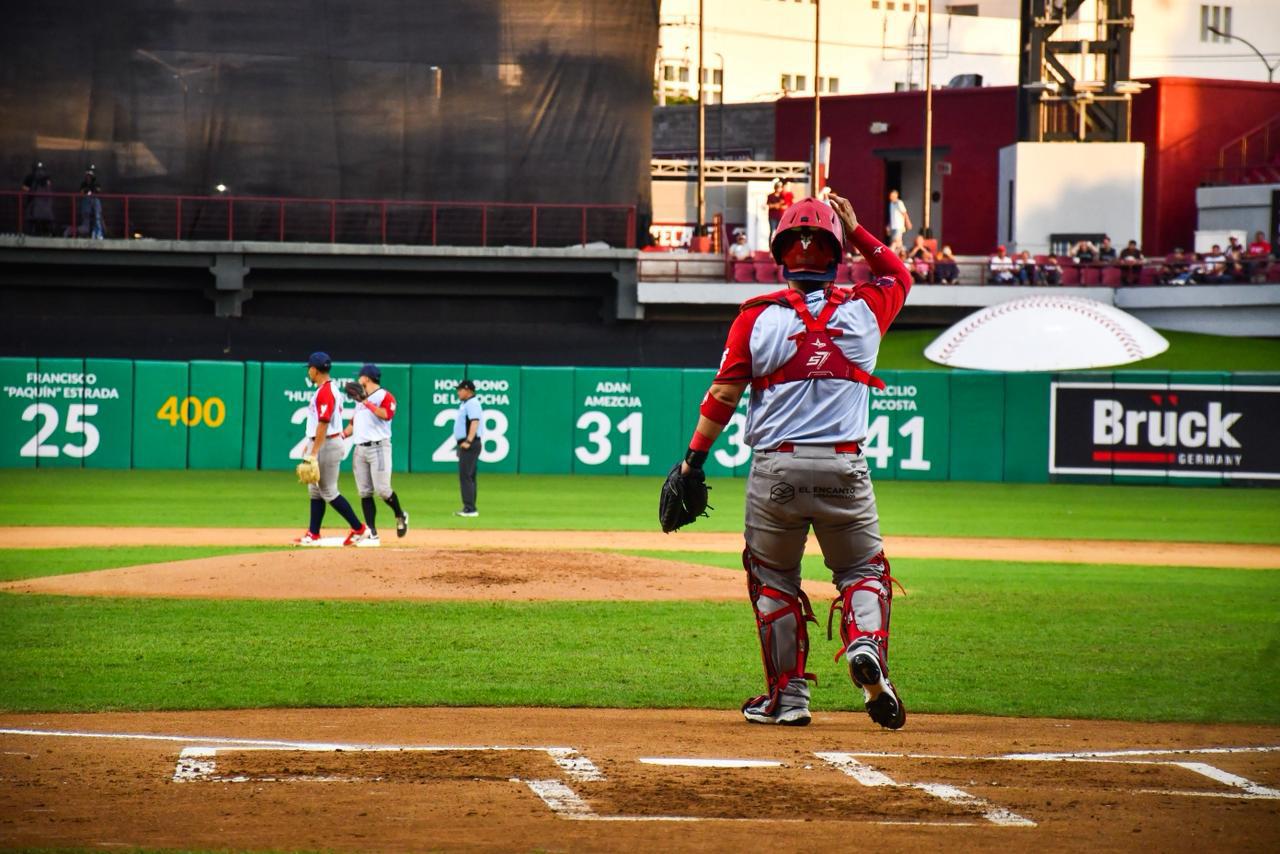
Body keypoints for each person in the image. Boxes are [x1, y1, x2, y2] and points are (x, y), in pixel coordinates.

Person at [664, 192, 911, 730]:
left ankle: (788, 698)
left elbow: (722, 398)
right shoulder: (866, 309)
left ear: (780, 253)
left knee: (773, 579)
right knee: (863, 571)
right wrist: (859, 227)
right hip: (846, 469)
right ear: (837, 252)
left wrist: (692, 463)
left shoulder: (755, 319)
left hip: (777, 471)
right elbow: (899, 275)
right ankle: (864, 643)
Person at [293, 352, 369, 546]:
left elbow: (324, 423)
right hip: (323, 442)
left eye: (309, 368)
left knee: (328, 491)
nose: (308, 372)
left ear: (314, 370)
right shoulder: (327, 389)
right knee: (315, 490)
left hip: (327, 443)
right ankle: (313, 533)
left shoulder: (326, 391)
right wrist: (309, 445)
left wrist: (314, 452)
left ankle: (359, 529)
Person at [340, 363, 409, 544]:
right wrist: (340, 436)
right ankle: (372, 532)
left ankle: (400, 515)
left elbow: (386, 414)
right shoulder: (360, 401)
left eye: (360, 376)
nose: (357, 379)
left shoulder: (384, 396)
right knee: (364, 492)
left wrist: (366, 402)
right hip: (360, 449)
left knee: (383, 490)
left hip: (379, 448)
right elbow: (353, 424)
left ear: (367, 378)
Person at [453, 379, 484, 517]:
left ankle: (469, 508)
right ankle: (470, 507)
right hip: (467, 443)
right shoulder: (466, 403)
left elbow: (474, 421)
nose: (458, 392)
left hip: (470, 443)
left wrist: (468, 441)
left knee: (466, 476)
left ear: (468, 390)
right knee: (469, 476)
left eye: (460, 389)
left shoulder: (472, 403)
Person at [21, 160, 56, 237]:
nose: (40, 172)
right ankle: (33, 232)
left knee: (37, 220)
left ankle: (41, 232)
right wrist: (30, 191)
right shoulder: (30, 177)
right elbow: (24, 188)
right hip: (34, 203)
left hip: (42, 204)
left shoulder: (46, 180)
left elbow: (49, 189)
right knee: (33, 220)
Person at [885, 189, 911, 254]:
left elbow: (904, 213)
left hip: (899, 227)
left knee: (895, 242)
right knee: (899, 244)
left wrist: (908, 222)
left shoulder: (899, 203)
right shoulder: (891, 204)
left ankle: (889, 254)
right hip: (893, 227)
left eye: (892, 196)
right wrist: (889, 225)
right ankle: (901, 254)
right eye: (890, 196)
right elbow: (892, 217)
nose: (891, 197)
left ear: (896, 196)